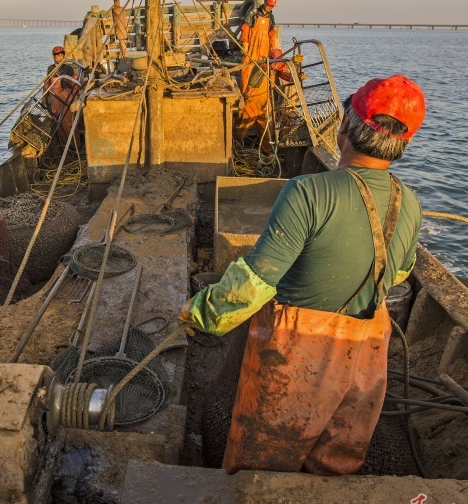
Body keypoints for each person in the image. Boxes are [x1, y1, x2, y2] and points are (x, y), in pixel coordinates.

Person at [180, 75, 426, 475]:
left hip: (297, 355)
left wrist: (201, 315)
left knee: (262, 465)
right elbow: (400, 271)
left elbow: (255, 283)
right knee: (336, 461)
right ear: (405, 143)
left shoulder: (307, 192)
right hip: (365, 355)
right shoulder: (410, 202)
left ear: (345, 124)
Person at [235, 0, 282, 147]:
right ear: (265, 3)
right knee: (248, 77)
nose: (270, 7)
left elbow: (272, 35)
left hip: (263, 53)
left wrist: (273, 48)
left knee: (261, 114)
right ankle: (239, 143)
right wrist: (245, 45)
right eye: (268, 5)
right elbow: (246, 28)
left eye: (272, 6)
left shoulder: (271, 18)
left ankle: (266, 148)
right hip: (252, 52)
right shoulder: (254, 13)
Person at [44, 46, 82, 140]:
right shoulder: (50, 69)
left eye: (62, 55)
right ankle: (62, 141)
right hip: (55, 97)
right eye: (57, 55)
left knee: (68, 121)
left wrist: (74, 97)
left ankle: (74, 143)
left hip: (66, 96)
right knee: (56, 120)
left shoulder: (68, 68)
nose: (60, 57)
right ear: (53, 56)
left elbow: (74, 84)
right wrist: (45, 96)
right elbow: (47, 85)